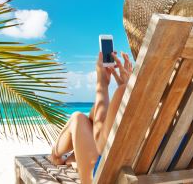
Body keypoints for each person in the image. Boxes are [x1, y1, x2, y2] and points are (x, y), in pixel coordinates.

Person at [50, 51, 133, 184]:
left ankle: (55, 156)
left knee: (78, 118)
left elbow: (100, 144)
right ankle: (71, 158)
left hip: (105, 178)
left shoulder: (125, 91)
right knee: (92, 114)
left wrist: (102, 83)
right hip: (147, 172)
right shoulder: (170, 103)